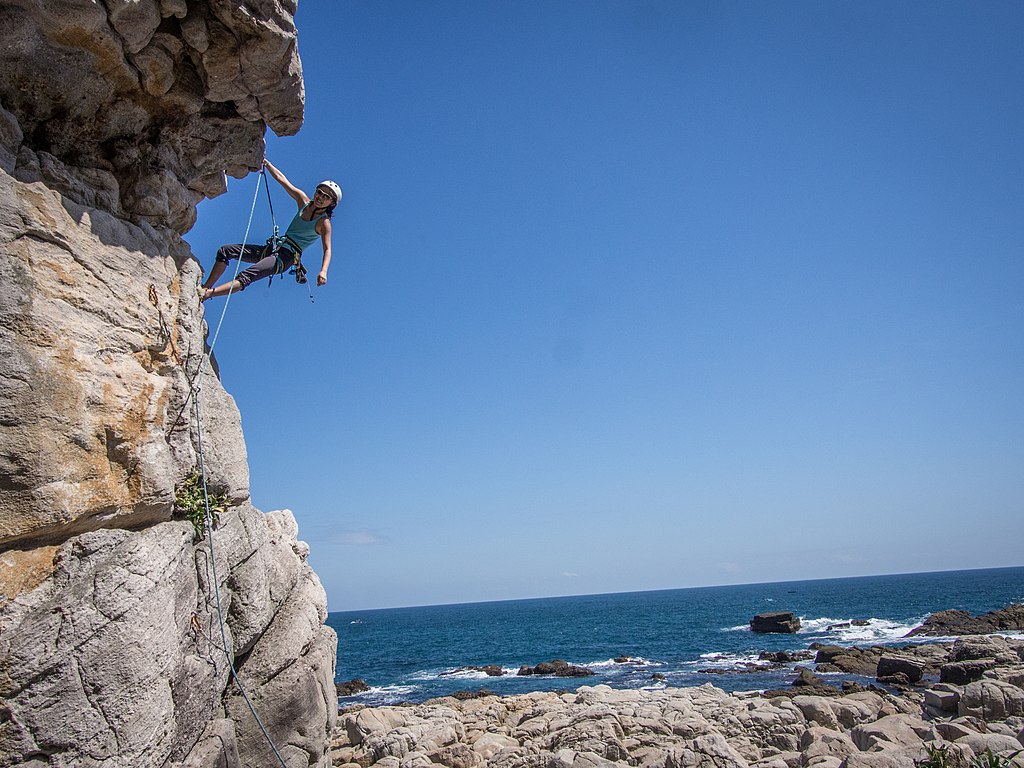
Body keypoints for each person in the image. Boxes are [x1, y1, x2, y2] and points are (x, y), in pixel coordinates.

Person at [200, 159, 341, 300]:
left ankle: (207, 295)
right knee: (225, 251)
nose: (320, 197)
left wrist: (323, 271)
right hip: (274, 248)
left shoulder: (324, 223)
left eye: (326, 196)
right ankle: (205, 287)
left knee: (248, 275)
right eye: (319, 192)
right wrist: (266, 164)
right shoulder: (303, 201)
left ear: (332, 203)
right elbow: (283, 180)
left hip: (286, 257)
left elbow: (327, 249)